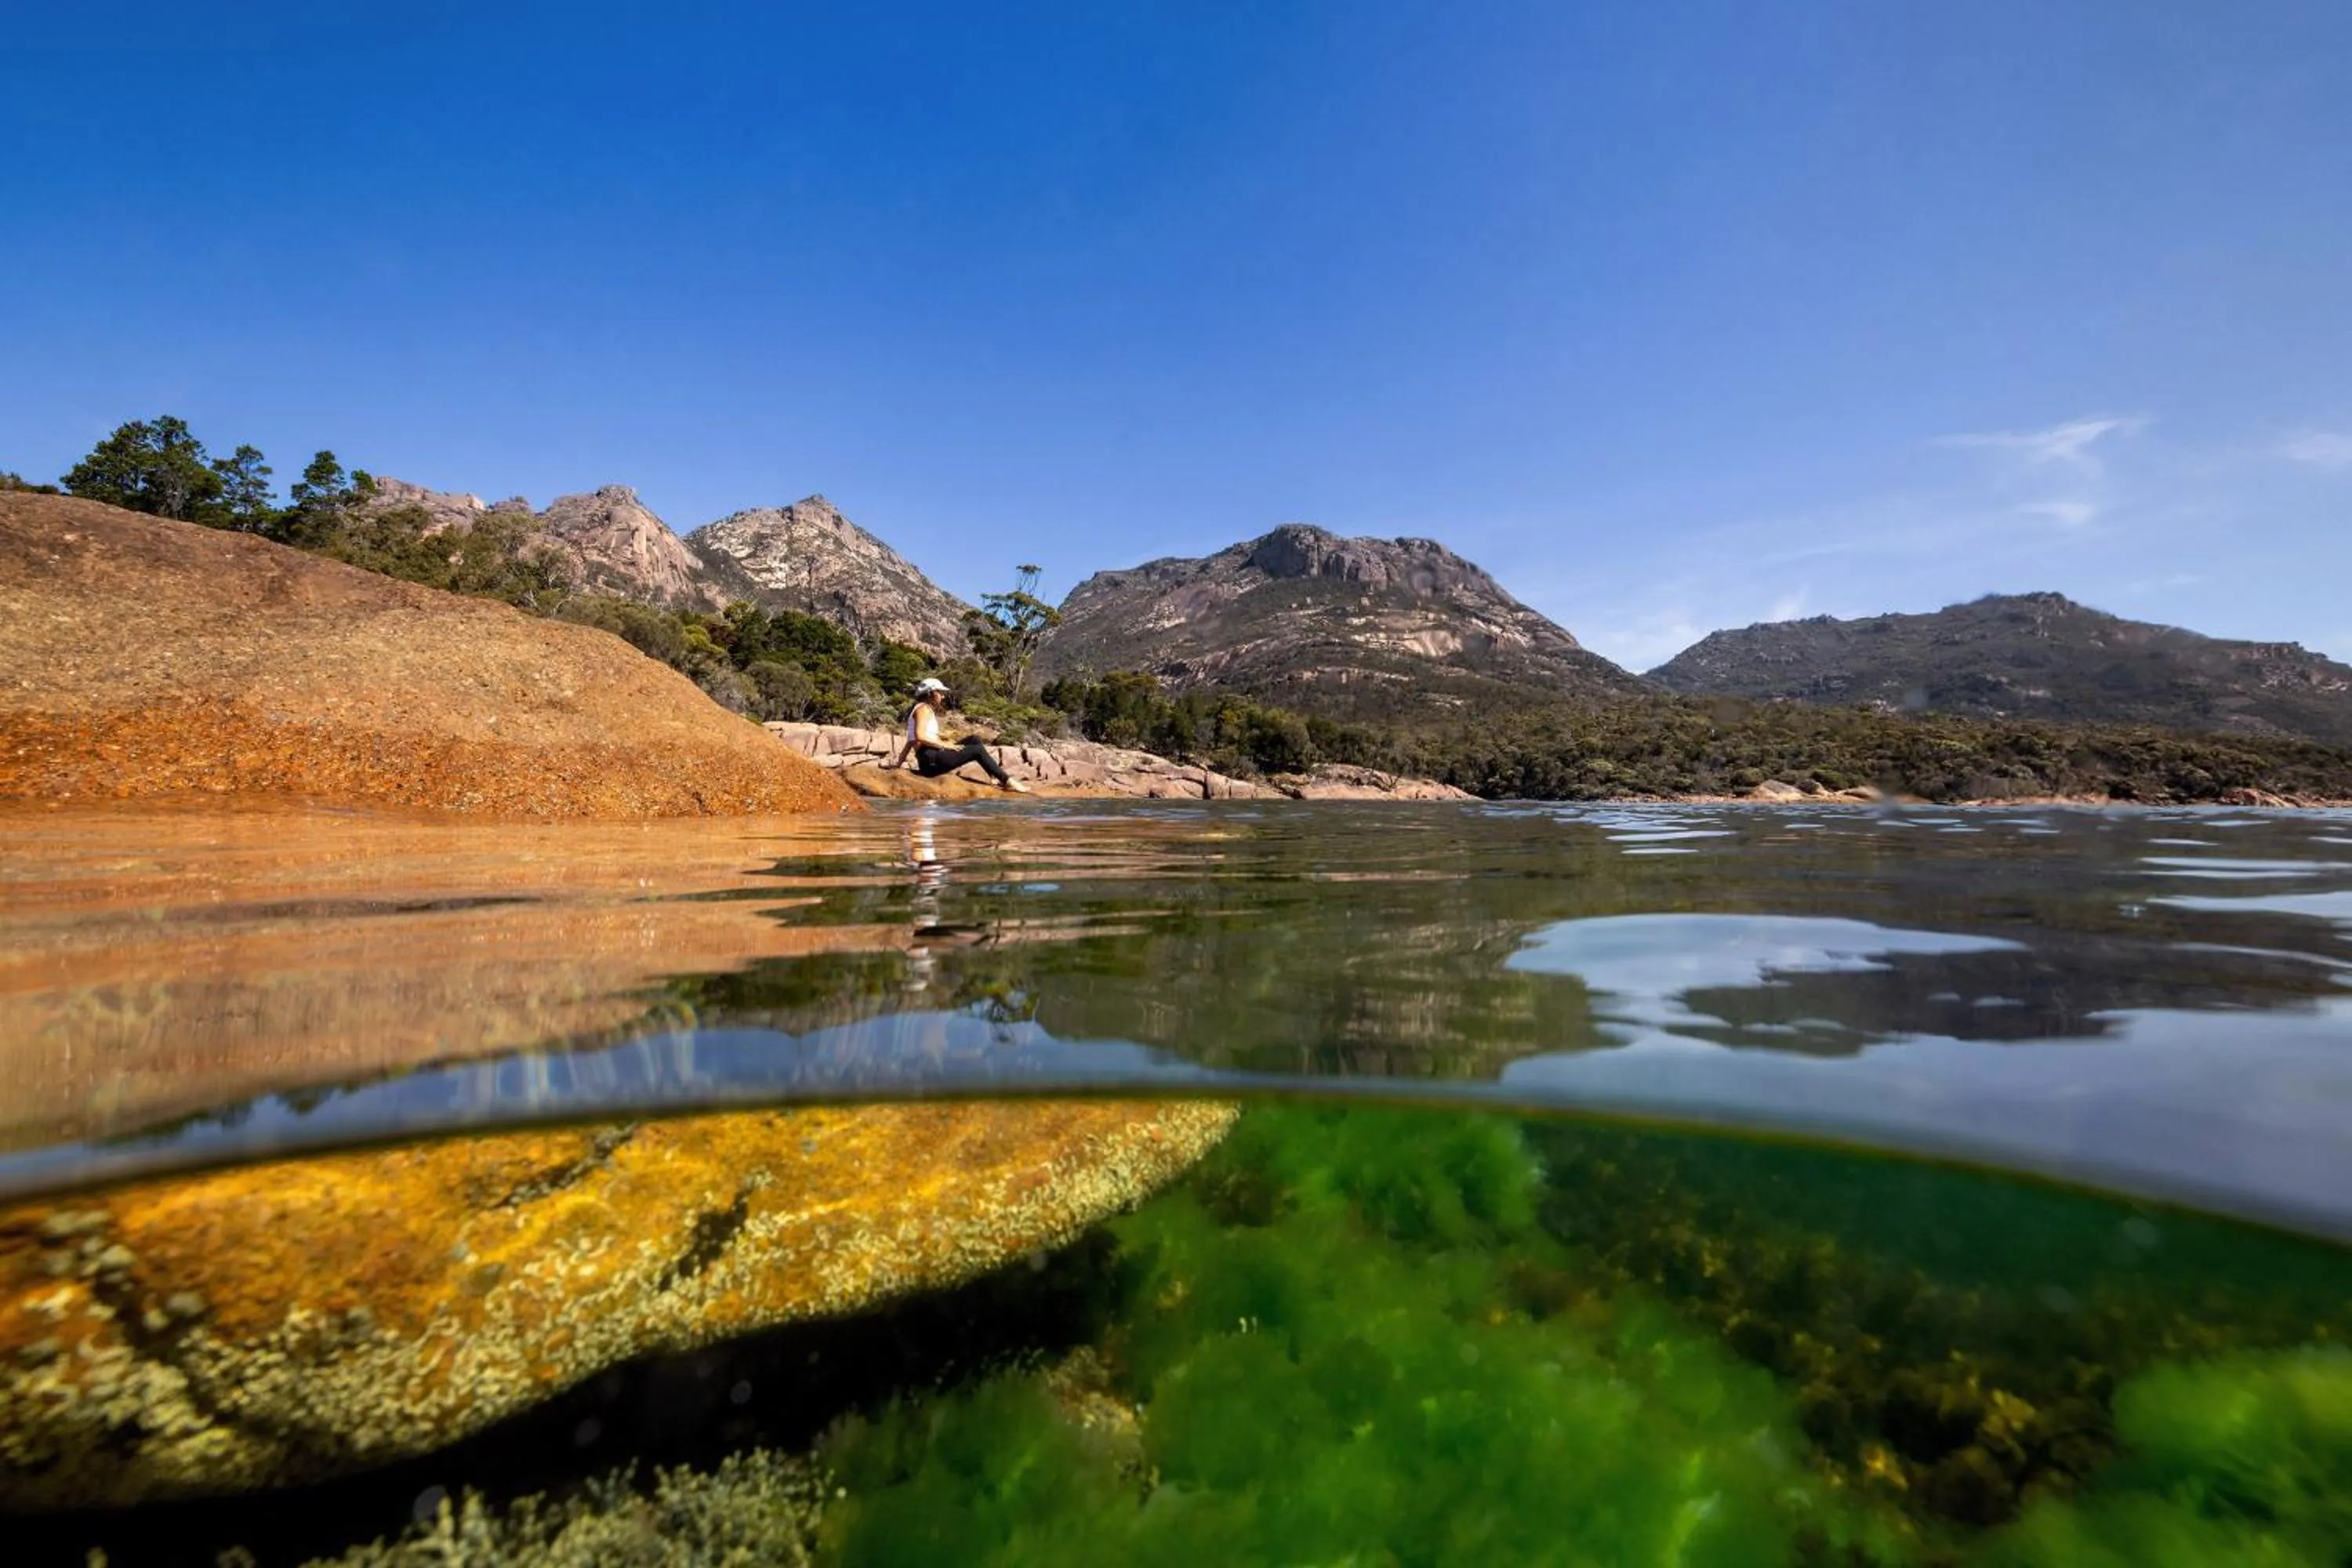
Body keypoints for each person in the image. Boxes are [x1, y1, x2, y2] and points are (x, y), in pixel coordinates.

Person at [890, 677, 1029, 792]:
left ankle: (993, 776)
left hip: (930, 758)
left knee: (974, 739)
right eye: (940, 692)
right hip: (930, 759)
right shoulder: (924, 709)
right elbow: (919, 736)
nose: (943, 696)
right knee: (977, 750)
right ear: (931, 693)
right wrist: (945, 745)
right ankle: (1007, 781)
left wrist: (898, 764)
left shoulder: (919, 709)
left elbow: (910, 741)